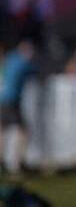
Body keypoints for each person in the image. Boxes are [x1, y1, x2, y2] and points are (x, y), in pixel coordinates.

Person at [0, 39, 37, 173]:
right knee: (22, 131)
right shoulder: (23, 63)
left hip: (3, 98)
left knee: (3, 130)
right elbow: (37, 72)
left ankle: (3, 161)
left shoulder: (10, 59)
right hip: (11, 100)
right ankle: (19, 161)